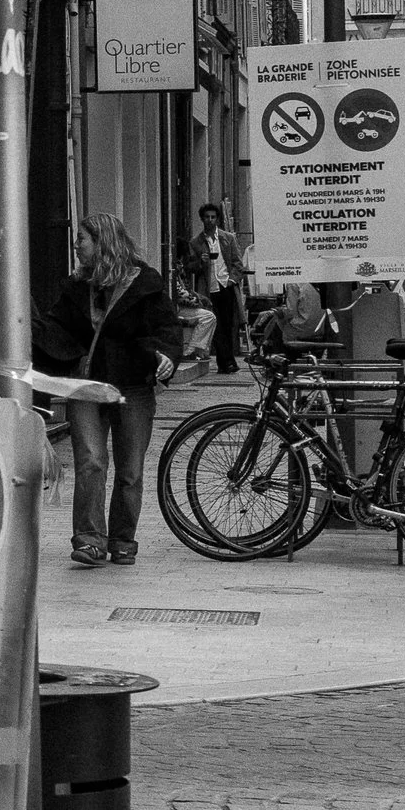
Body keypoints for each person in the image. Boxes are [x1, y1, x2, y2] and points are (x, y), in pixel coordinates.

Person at [34, 209, 183, 568]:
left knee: (130, 470)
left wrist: (167, 357)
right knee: (91, 461)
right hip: (86, 385)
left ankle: (122, 539)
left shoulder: (146, 283)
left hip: (133, 385)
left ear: (103, 243)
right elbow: (56, 329)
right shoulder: (75, 287)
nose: (76, 247)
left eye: (81, 240)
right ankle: (89, 541)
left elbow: (167, 328)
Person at [190, 201, 247, 374]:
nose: (210, 220)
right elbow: (191, 268)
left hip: (225, 287)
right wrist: (201, 262)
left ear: (217, 219)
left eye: (213, 217)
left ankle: (227, 362)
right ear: (202, 219)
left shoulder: (228, 238)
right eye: (207, 217)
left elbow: (238, 264)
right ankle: (226, 362)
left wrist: (232, 280)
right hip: (208, 290)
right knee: (216, 326)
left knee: (229, 324)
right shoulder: (196, 242)